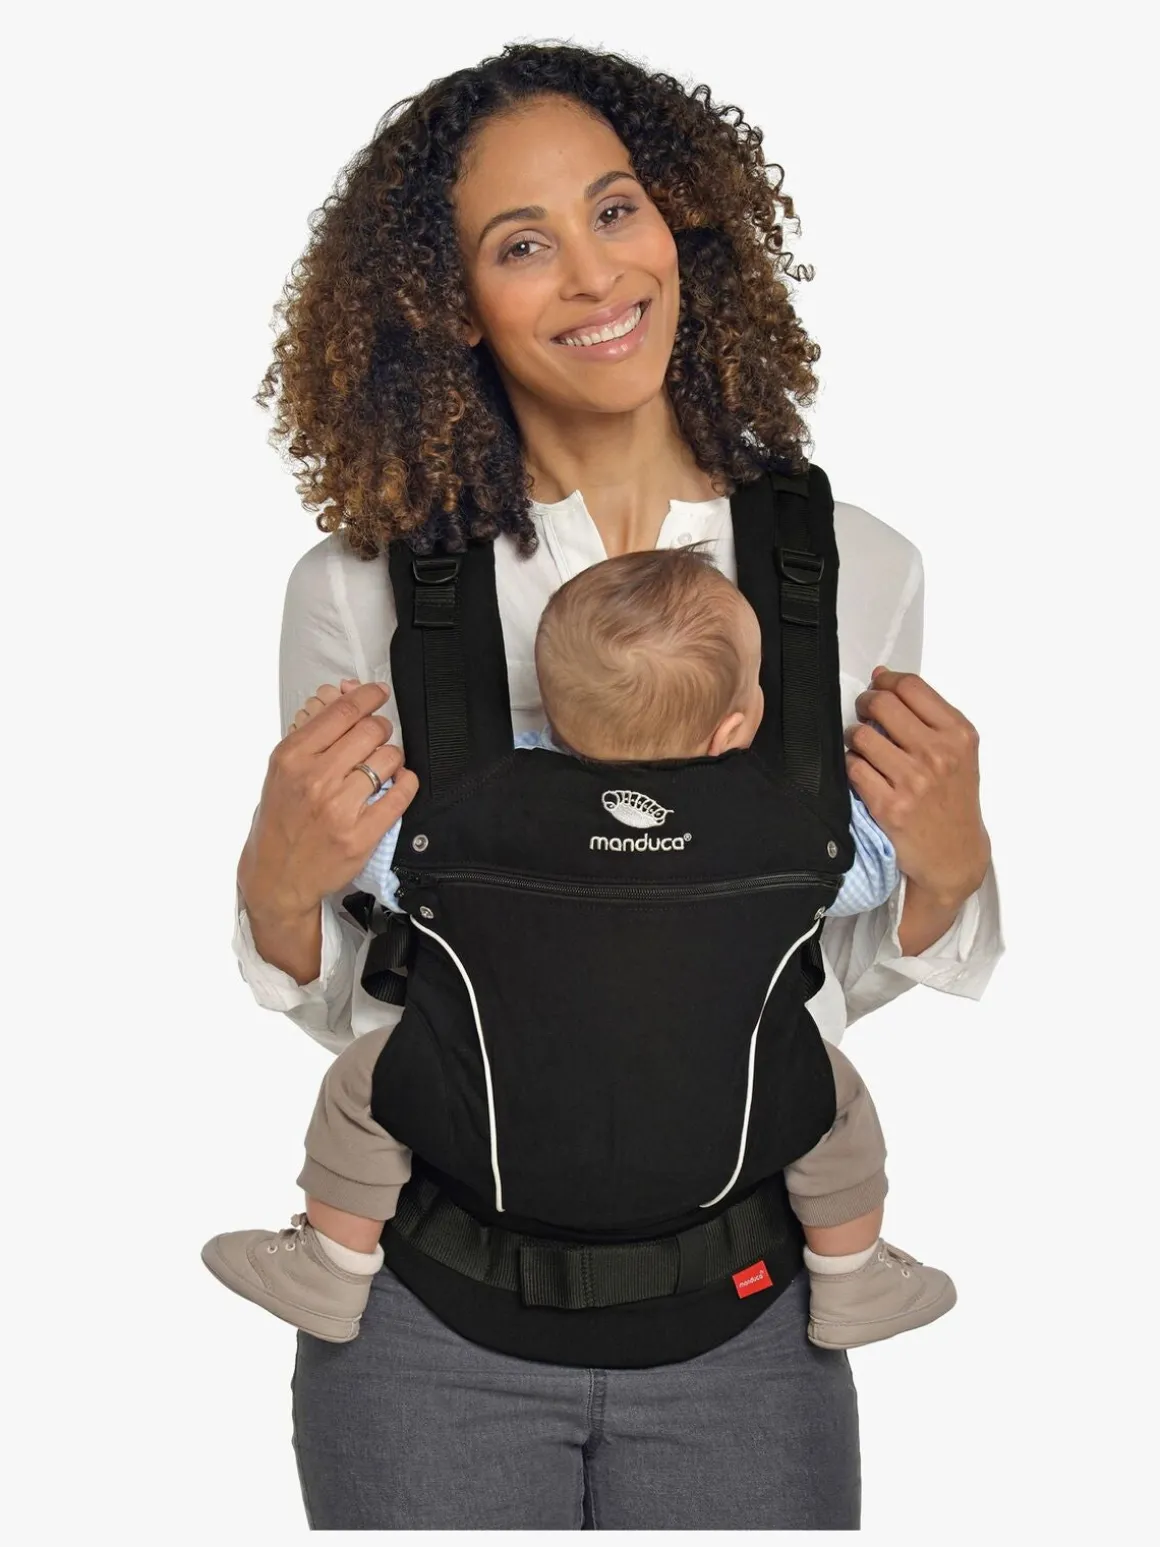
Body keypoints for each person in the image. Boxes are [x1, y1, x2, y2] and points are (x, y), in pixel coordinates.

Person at [230, 42, 1002, 1530]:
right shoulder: (363, 591)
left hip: (750, 1326)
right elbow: (366, 997)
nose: (594, 275)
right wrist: (273, 887)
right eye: (521, 244)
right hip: (425, 1331)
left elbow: (803, 975)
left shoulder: (849, 569)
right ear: (446, 303)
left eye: (614, 210)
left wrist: (952, 871)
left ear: (680, 223)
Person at [205, 548, 954, 1350]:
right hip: (714, 1129)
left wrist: (340, 753)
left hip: (501, 1124)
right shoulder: (784, 828)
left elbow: (365, 845)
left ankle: (332, 1263)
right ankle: (851, 1273)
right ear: (734, 727)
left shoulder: (476, 809)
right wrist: (895, 788)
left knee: (362, 1082)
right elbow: (874, 872)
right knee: (835, 1096)